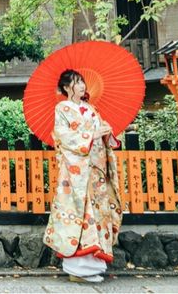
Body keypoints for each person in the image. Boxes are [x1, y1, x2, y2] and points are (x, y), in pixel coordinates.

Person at [43, 69, 122, 283]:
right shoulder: (62, 109)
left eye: (82, 82)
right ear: (66, 87)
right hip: (76, 173)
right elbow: (63, 136)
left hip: (96, 169)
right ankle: (78, 270)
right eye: (77, 82)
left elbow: (103, 136)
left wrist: (106, 133)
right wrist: (90, 135)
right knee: (79, 214)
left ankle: (93, 267)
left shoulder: (91, 109)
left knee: (98, 215)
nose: (82, 86)